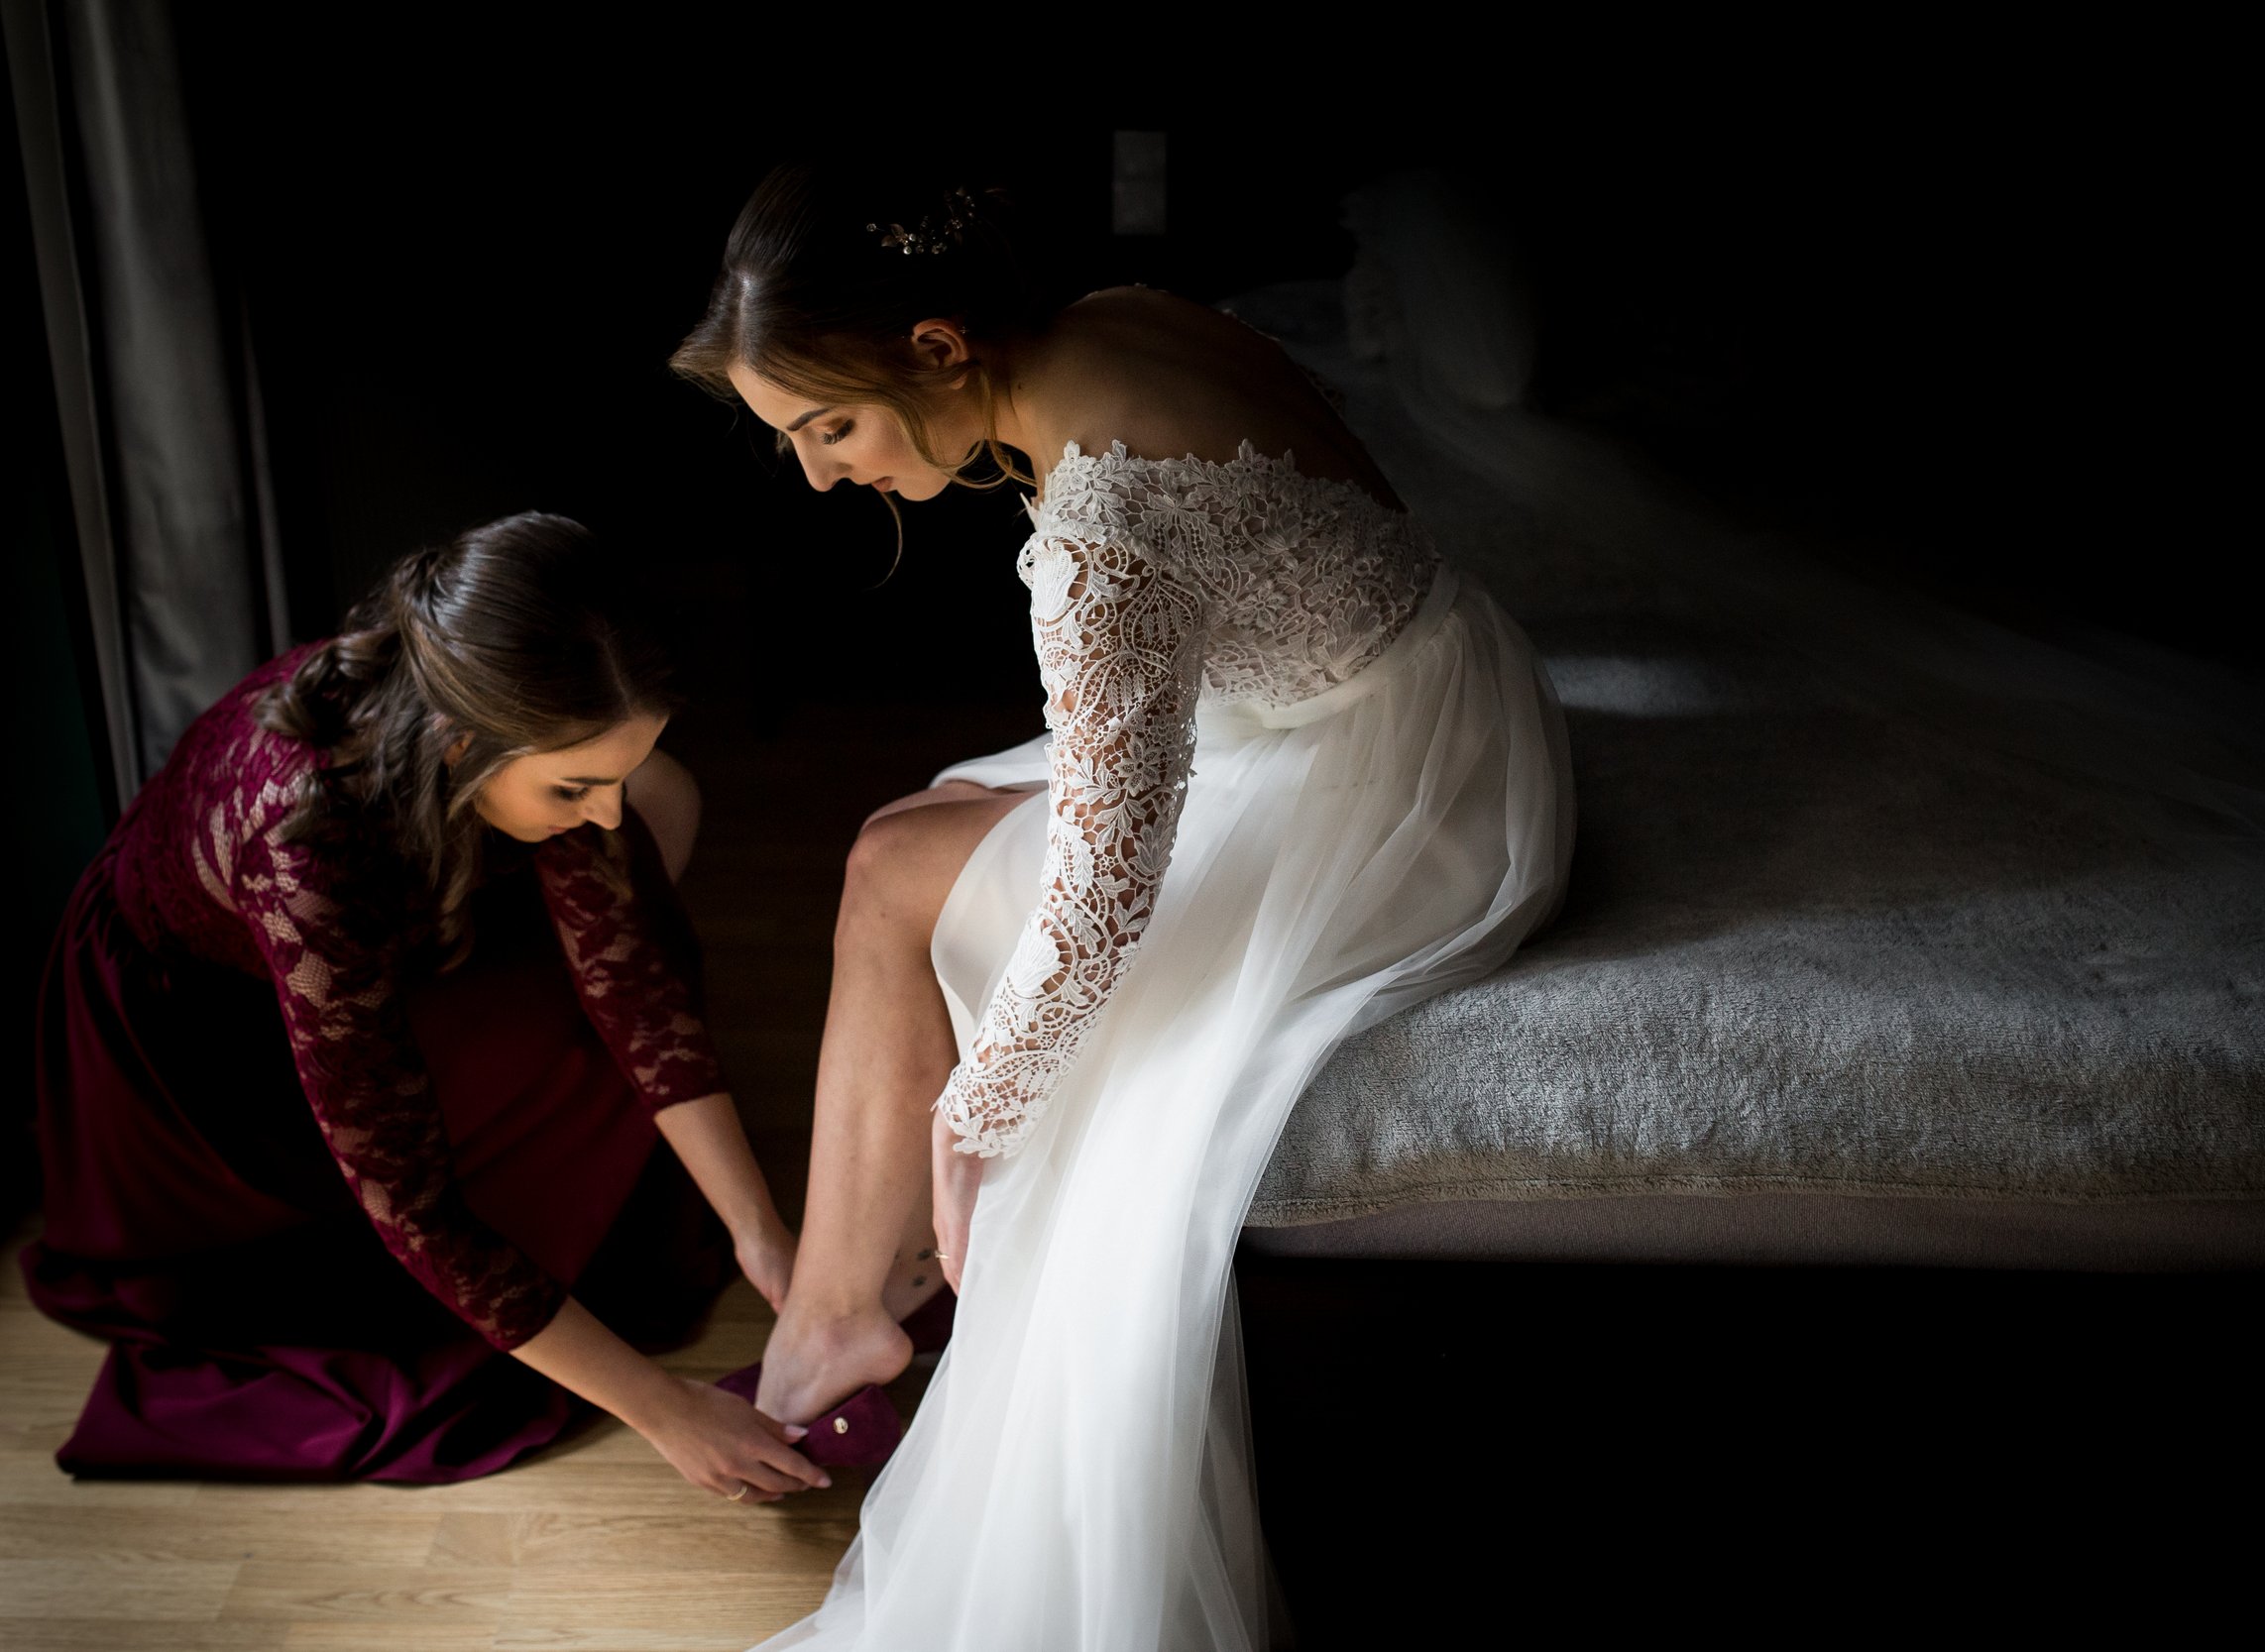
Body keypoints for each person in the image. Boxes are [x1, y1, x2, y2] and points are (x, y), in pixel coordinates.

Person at [672, 168, 1574, 1650]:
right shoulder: (1111, 316)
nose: (822, 476)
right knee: (901, 839)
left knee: (898, 880)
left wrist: (980, 1112)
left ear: (942, 347)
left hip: (1398, 791)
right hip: (1445, 689)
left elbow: (1105, 894)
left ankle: (837, 1307)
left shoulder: (1101, 525)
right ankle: (852, 1292)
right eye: (793, 442)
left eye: (829, 425)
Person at [24, 511, 828, 1501]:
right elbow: (408, 1196)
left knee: (641, 873)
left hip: (395, 909)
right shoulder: (305, 844)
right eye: (577, 782)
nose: (605, 806)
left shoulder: (491, 712)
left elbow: (638, 987)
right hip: (203, 1039)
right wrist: (665, 1410)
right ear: (458, 739)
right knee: (542, 1055)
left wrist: (763, 1233)